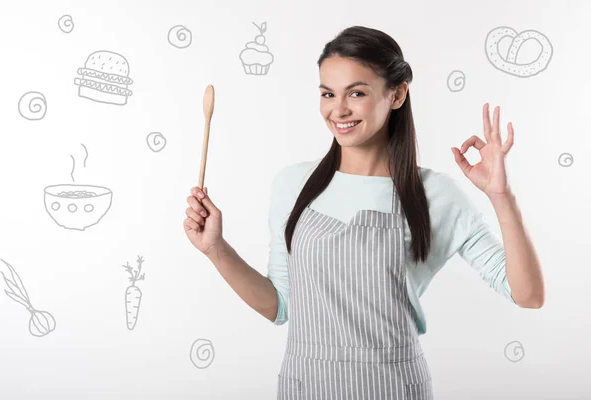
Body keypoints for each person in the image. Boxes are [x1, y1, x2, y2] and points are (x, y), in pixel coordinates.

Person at [183, 25, 544, 400]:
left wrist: (501, 195)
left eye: (357, 92)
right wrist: (216, 249)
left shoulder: (434, 194)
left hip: (392, 388)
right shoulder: (293, 185)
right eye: (328, 94)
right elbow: (280, 305)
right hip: (305, 386)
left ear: (398, 94)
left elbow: (528, 294)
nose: (338, 110)